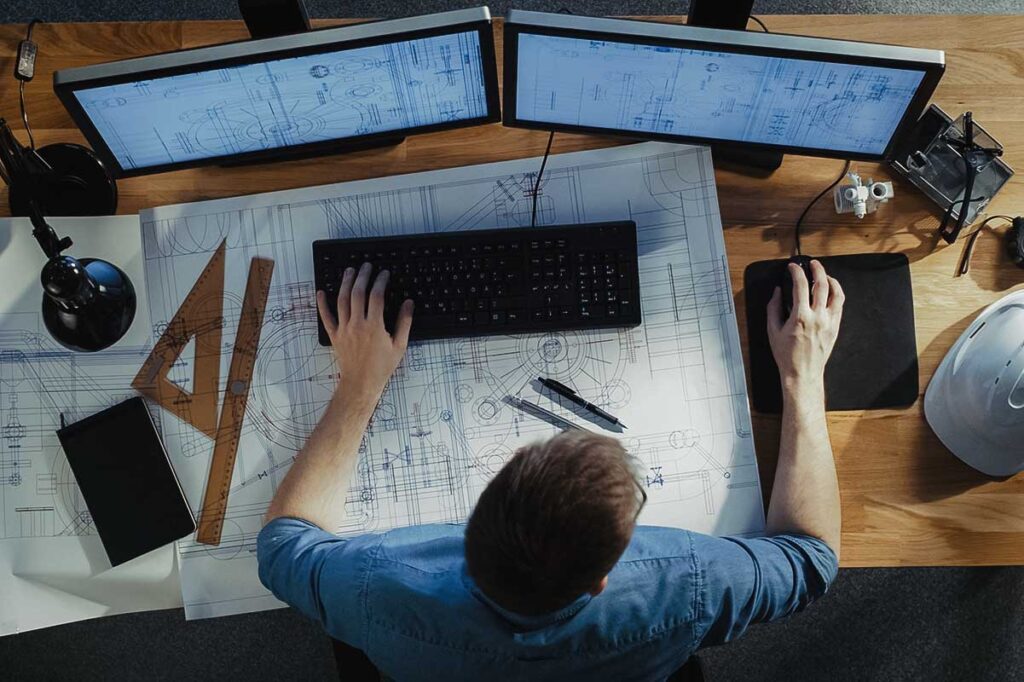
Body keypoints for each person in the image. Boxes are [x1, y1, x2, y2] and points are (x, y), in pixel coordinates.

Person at [258, 259, 845, 681]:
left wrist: (360, 385)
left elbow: (282, 546)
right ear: (600, 581)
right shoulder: (686, 585)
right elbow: (811, 558)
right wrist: (802, 376)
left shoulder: (375, 587)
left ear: (471, 526)